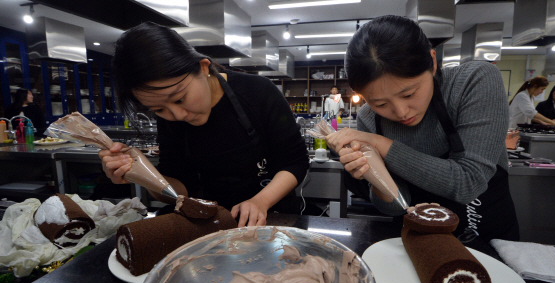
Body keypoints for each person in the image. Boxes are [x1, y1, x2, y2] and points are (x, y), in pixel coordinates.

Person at [325, 15, 519, 243]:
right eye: (380, 103)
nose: (401, 112)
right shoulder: (370, 118)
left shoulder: (473, 82)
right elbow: (395, 206)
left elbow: (468, 183)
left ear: (432, 61)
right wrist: (373, 176)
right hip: (414, 242)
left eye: (408, 94)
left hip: (486, 237)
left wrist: (381, 145)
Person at [98, 22, 309, 227]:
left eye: (180, 98)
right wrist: (142, 174)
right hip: (212, 222)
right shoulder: (170, 119)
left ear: (203, 67)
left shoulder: (258, 92)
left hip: (275, 218)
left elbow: (295, 162)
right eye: (159, 110)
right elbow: (182, 188)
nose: (177, 115)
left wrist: (260, 202)